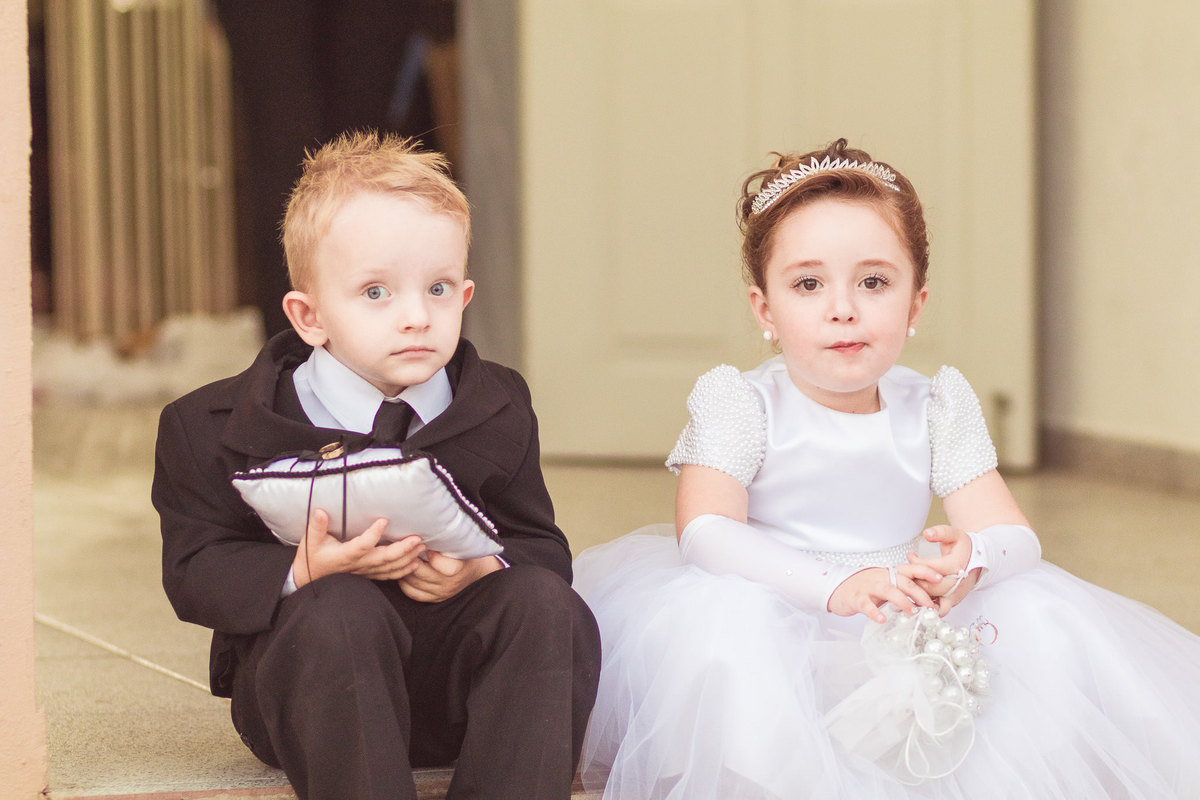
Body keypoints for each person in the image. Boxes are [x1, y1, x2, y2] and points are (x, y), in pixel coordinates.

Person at [573, 138, 1200, 799]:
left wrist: (971, 557)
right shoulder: (741, 402)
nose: (843, 307)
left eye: (873, 282)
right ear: (764, 310)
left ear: (915, 305)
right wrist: (834, 588)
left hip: (902, 607)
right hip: (776, 599)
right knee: (723, 635)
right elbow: (705, 532)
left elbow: (1017, 537)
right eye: (808, 284)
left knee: (1042, 619)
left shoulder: (934, 403)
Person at [152, 131, 601, 800]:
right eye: (375, 294)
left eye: (439, 288)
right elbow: (195, 572)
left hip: (459, 689)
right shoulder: (207, 427)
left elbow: (543, 546)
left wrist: (483, 566)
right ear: (310, 317)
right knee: (339, 608)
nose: (417, 317)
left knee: (548, 604)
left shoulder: (498, 404)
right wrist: (304, 569)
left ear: (466, 294)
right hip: (313, 691)